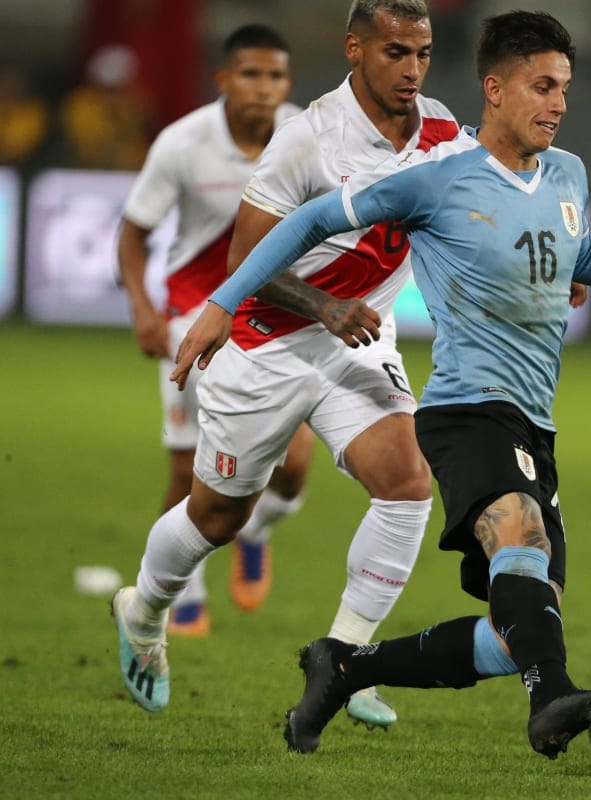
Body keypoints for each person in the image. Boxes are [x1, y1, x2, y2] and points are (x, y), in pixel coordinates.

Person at [170, 10, 591, 759]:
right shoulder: (436, 181)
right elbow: (304, 225)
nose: (557, 103)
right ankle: (552, 702)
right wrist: (222, 305)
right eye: (541, 86)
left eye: (565, 89)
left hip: (534, 419)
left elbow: (583, 252)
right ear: (495, 88)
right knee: (516, 532)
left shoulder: (567, 174)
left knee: (520, 622)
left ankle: (346, 669)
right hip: (466, 409)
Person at [112, 0, 462, 730]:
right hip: (269, 344)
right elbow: (245, 263)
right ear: (354, 49)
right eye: (396, 52)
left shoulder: (439, 128)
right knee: (216, 514)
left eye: (422, 52)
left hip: (360, 342)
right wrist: (324, 305)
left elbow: (476, 206)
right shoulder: (307, 140)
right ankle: (144, 608)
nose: (413, 69)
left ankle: (349, 661)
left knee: (405, 482)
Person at [117, 24, 314, 636]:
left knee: (294, 466)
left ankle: (254, 530)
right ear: (224, 79)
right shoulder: (183, 142)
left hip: (275, 314)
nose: (264, 88)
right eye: (251, 74)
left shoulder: (305, 135)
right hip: (190, 317)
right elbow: (133, 234)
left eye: (276, 75)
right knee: (185, 472)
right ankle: (187, 591)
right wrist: (144, 311)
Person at [58, 44, 155, 171]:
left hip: (131, 169)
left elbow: (142, 132)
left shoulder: (135, 100)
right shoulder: (80, 103)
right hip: (88, 168)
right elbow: (81, 143)